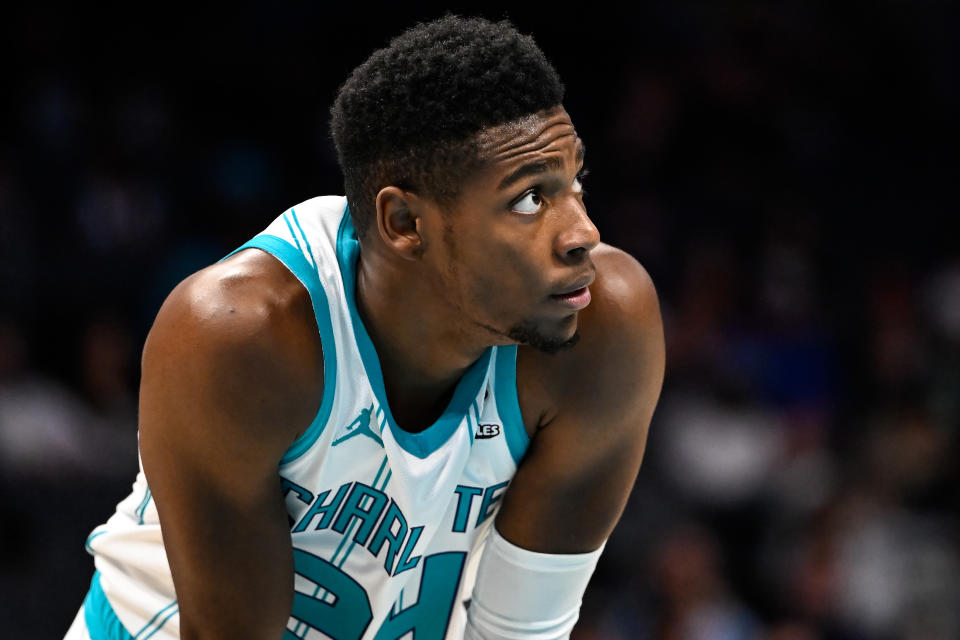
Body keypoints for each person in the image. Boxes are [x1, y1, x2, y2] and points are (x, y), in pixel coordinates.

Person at [65, 15, 665, 640]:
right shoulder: (244, 336)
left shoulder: (602, 324)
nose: (583, 233)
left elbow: (523, 630)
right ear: (405, 221)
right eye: (528, 200)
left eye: (575, 183)